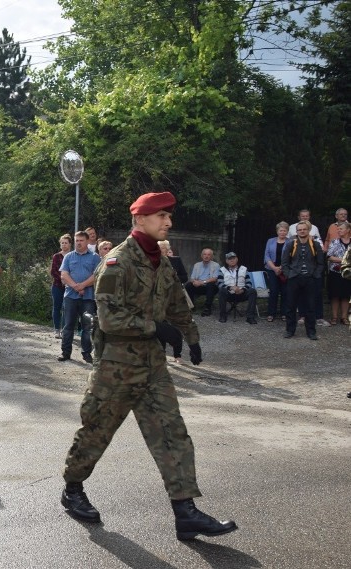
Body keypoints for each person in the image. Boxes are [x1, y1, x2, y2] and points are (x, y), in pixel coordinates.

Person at [59, 191, 237, 541]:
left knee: (173, 433)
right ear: (140, 219)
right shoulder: (116, 262)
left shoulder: (161, 261)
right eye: (160, 216)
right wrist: (157, 328)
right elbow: (109, 319)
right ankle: (73, 489)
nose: (168, 222)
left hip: (152, 366)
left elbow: (177, 303)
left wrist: (192, 336)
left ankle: (185, 512)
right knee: (96, 432)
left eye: (169, 216)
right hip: (116, 367)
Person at [57, 231, 99, 363]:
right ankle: (65, 353)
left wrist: (83, 286)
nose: (78, 243)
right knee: (68, 325)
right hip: (70, 296)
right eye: (76, 240)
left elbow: (97, 275)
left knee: (87, 327)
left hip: (88, 297)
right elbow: (64, 274)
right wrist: (76, 286)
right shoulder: (68, 257)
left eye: (81, 240)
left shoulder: (95, 257)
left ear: (87, 242)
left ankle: (86, 354)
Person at [282, 220, 324, 340]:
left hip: (310, 279)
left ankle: (311, 332)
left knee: (310, 306)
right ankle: (290, 330)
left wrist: (315, 275)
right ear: (296, 231)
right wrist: (289, 274)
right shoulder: (291, 244)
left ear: (308, 230)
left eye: (304, 229)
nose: (302, 231)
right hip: (294, 278)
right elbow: (284, 262)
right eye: (299, 229)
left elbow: (321, 263)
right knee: (290, 305)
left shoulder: (315, 245)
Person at [217, 252, 257, 324]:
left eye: (233, 258)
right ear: (226, 261)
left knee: (252, 291)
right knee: (221, 290)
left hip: (241, 293)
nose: (232, 260)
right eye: (230, 259)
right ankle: (223, 316)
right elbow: (219, 283)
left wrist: (243, 290)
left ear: (237, 259)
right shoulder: (222, 270)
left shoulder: (244, 269)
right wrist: (230, 288)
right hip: (228, 293)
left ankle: (250, 317)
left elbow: (249, 283)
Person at [325, 221, 351, 325]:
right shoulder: (334, 242)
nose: (339, 231)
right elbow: (329, 256)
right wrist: (344, 260)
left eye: (341, 229)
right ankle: (334, 317)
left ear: (348, 230)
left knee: (346, 295)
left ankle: (344, 317)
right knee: (335, 295)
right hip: (336, 272)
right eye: (338, 229)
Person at [263, 221, 290, 322]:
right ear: (277, 231)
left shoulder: (291, 241)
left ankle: (284, 313)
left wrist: (281, 268)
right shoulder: (270, 241)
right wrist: (274, 268)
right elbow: (266, 256)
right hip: (271, 269)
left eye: (284, 230)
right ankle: (271, 313)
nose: (282, 232)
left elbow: (290, 257)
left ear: (287, 231)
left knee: (285, 292)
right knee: (273, 291)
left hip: (285, 269)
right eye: (280, 230)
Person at [184, 248, 220, 316]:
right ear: (201, 255)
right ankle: (191, 306)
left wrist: (202, 282)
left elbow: (214, 278)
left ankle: (207, 308)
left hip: (210, 287)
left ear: (211, 256)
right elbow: (192, 278)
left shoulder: (216, 265)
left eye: (209, 254)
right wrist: (195, 282)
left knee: (211, 285)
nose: (206, 256)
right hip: (199, 286)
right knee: (188, 285)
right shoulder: (197, 265)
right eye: (204, 254)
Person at [50, 234, 72, 338]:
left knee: (67, 308)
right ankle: (57, 329)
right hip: (57, 286)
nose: (64, 245)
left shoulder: (73, 255)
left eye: (65, 243)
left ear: (70, 244)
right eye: (62, 243)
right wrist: (62, 279)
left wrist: (69, 281)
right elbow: (53, 271)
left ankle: (64, 329)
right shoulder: (56, 256)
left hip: (70, 287)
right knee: (57, 307)